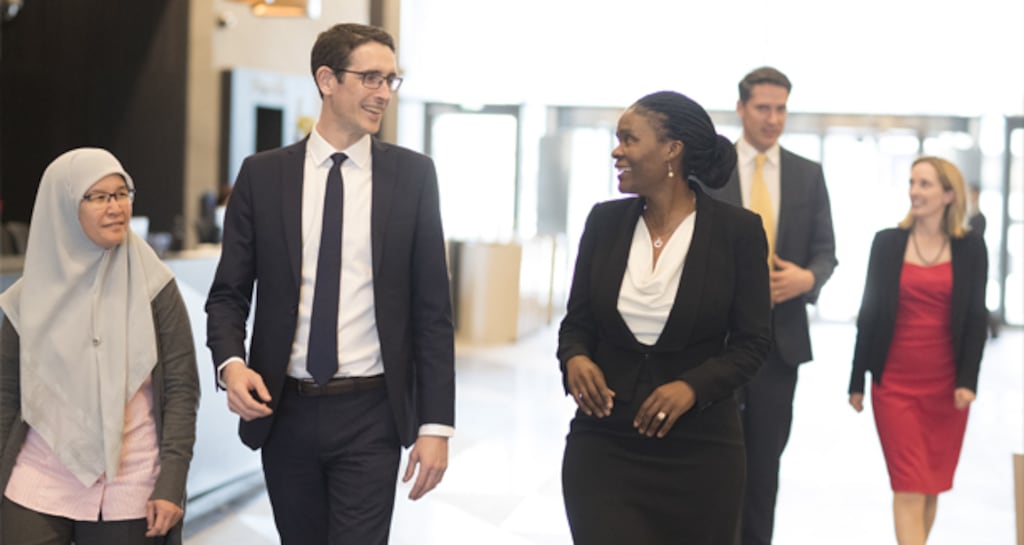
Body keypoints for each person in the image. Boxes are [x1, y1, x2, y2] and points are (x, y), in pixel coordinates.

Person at [204, 23, 455, 545]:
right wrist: (231, 365)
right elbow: (229, 293)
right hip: (284, 409)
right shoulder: (262, 175)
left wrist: (435, 426)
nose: (383, 92)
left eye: (391, 79)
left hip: (371, 413)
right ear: (327, 79)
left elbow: (433, 312)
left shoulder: (413, 177)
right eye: (370, 78)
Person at [558, 90, 772, 545]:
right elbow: (576, 324)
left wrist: (692, 387)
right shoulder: (603, 223)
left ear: (672, 150)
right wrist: (575, 360)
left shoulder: (738, 232)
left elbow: (753, 343)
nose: (617, 150)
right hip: (603, 446)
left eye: (629, 139)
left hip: (701, 453)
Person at [0, 148, 200, 544]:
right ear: (64, 207)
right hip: (38, 478)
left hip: (133, 485)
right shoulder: (27, 298)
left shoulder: (154, 287)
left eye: (122, 193)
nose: (116, 207)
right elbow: (6, 393)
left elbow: (181, 389)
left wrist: (172, 481)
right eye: (99, 197)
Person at [703, 66, 838, 545]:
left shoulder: (807, 174)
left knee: (764, 469)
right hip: (713, 346)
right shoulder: (711, 174)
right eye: (763, 108)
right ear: (741, 108)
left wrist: (808, 278)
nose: (773, 118)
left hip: (780, 349)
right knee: (716, 467)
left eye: (781, 109)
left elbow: (826, 251)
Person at [848, 156, 987, 545]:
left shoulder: (971, 247)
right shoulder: (887, 242)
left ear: (948, 194)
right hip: (894, 385)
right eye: (912, 182)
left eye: (924, 184)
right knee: (908, 485)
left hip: (946, 388)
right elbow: (870, 313)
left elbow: (976, 318)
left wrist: (967, 381)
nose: (914, 191)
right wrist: (856, 381)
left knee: (930, 485)